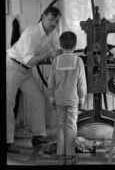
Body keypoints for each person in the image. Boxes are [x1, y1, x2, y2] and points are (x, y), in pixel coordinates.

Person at [6, 6, 62, 153]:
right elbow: (30, 60)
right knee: (8, 104)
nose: (54, 23)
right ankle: (8, 142)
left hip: (25, 71)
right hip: (12, 67)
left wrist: (65, 54)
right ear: (43, 17)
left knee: (38, 99)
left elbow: (57, 51)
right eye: (51, 20)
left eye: (56, 21)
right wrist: (49, 54)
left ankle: (38, 136)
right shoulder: (32, 32)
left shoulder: (53, 33)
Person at [48, 31, 87, 165]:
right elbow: (82, 83)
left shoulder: (55, 61)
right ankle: (70, 157)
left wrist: (52, 98)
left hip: (59, 99)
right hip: (72, 101)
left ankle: (60, 156)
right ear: (75, 45)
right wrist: (82, 99)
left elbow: (51, 83)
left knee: (60, 126)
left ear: (61, 44)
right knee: (71, 126)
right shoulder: (78, 61)